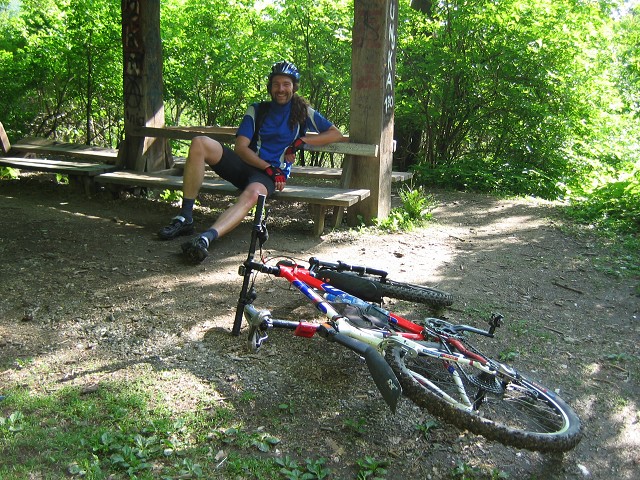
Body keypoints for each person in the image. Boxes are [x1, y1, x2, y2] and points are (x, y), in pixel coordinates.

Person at [158, 61, 344, 263]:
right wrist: (267, 167)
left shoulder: (302, 112)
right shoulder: (257, 110)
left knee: (254, 194)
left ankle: (206, 238)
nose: (281, 89)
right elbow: (241, 147)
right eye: (276, 84)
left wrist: (300, 142)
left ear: (294, 87)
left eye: (286, 84)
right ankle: (185, 217)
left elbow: (335, 133)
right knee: (199, 143)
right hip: (247, 166)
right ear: (270, 87)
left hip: (269, 177)